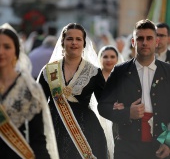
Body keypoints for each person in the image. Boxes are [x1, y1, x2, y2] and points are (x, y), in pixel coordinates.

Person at [98, 19, 170, 159]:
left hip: (160, 146)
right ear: (133, 42)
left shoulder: (167, 71)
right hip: (127, 145)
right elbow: (103, 106)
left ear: (156, 42)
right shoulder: (120, 71)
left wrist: (168, 142)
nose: (144, 42)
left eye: (149, 38)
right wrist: (127, 113)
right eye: (140, 38)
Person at [37, 23, 108, 159]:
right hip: (52, 131)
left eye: (78, 39)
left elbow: (105, 103)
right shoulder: (48, 70)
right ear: (63, 42)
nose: (74, 43)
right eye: (69, 39)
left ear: (84, 43)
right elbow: (37, 104)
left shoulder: (93, 72)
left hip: (86, 132)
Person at [0, 23, 59, 159]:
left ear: (16, 51)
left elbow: (37, 138)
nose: (1, 52)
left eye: (7, 47)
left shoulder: (30, 89)